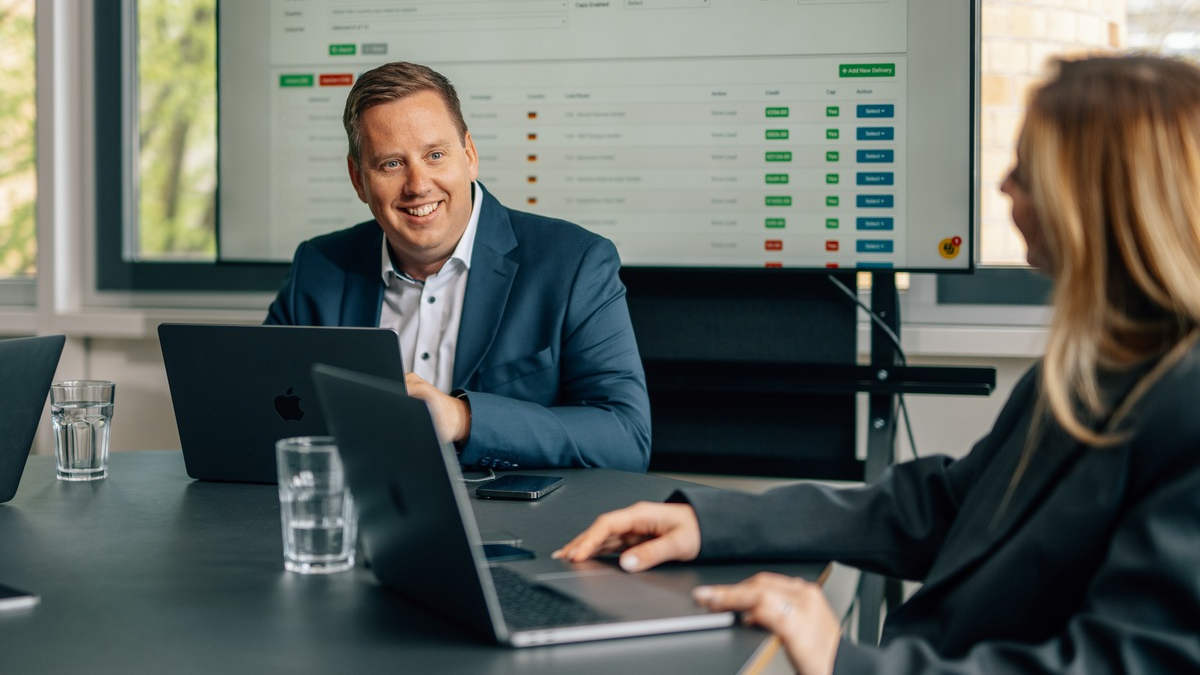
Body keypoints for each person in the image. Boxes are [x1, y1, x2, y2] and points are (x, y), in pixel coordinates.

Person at [555, 54, 1200, 674]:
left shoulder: (1185, 401)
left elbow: (1135, 661)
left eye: (1027, 172)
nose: (1004, 186)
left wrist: (843, 659)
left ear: (1101, 200)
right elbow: (945, 508)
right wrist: (711, 523)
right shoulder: (1097, 366)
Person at [265, 62, 650, 472]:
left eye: (435, 155)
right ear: (358, 178)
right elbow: (256, 409)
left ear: (469, 155)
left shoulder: (575, 263)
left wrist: (463, 419)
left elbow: (626, 437)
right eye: (391, 164)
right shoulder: (318, 267)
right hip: (354, 504)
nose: (418, 185)